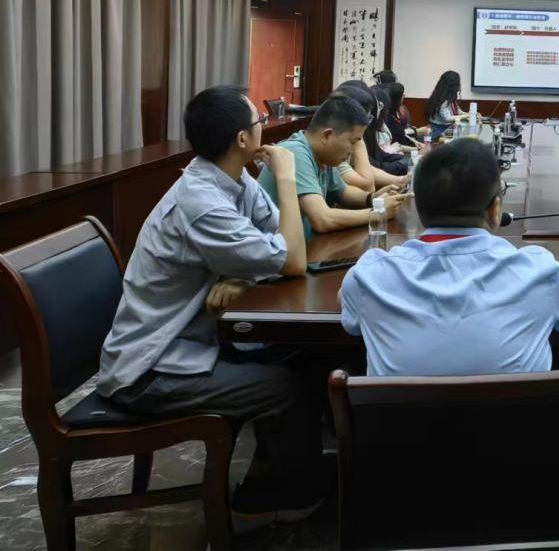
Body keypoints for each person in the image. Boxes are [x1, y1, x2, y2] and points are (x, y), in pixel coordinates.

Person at [97, 86, 324, 522]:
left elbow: (281, 241)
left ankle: (275, 476)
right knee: (285, 387)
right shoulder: (201, 202)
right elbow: (294, 259)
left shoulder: (232, 180)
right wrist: (287, 177)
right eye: (259, 121)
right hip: (150, 368)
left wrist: (241, 275)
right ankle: (288, 500)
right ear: (242, 139)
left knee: (303, 356)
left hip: (189, 342)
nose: (264, 127)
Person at [339, 137, 559, 375]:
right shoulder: (540, 272)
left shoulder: (370, 277)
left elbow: (345, 300)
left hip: (396, 411)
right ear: (495, 210)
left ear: (417, 208)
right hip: (521, 410)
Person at [258, 92, 405, 239]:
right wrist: (378, 213)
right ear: (327, 135)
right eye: (352, 142)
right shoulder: (295, 152)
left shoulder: (324, 156)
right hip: (275, 250)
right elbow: (322, 219)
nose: (353, 150)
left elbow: (343, 192)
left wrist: (373, 198)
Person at [332, 81, 409, 192]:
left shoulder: (353, 136)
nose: (368, 121)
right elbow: (368, 186)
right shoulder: (337, 145)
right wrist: (358, 142)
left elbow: (368, 175)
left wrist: (402, 180)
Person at [428, 69, 468, 138]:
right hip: (438, 131)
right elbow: (448, 118)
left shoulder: (450, 97)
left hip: (446, 128)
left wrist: (470, 114)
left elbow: (458, 111)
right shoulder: (442, 99)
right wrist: (466, 116)